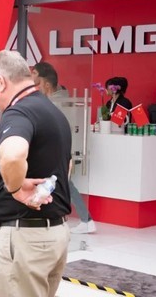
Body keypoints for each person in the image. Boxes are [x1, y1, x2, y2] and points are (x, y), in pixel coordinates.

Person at [0, 51, 71, 297]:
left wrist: (16, 189)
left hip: (24, 240)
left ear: (1, 82)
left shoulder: (20, 112)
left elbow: (12, 154)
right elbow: (67, 167)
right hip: (51, 235)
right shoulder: (53, 113)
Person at [34, 62, 96, 234]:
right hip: (64, 150)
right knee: (62, 184)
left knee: (65, 185)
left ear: (46, 84)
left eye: (37, 79)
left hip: (60, 151)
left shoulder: (56, 103)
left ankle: (86, 219)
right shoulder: (62, 98)